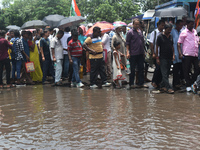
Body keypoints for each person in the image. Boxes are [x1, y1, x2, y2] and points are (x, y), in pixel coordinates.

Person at [178, 18, 199, 92]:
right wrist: (180, 53)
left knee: (197, 69)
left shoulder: (195, 31)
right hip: (187, 54)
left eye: (193, 24)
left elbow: (197, 40)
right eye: (191, 24)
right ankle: (188, 85)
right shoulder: (184, 32)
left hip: (195, 54)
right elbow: (179, 43)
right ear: (187, 24)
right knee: (186, 70)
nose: (192, 25)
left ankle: (192, 82)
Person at [126, 18, 148, 89]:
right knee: (132, 70)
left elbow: (142, 42)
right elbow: (127, 43)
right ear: (133, 24)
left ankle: (141, 83)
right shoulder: (130, 32)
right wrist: (127, 52)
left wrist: (144, 52)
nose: (137, 25)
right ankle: (131, 84)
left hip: (140, 53)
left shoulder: (140, 31)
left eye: (138, 24)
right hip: (133, 53)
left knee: (141, 68)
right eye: (136, 24)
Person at [156, 23, 175, 94]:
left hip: (169, 57)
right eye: (168, 30)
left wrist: (173, 55)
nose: (169, 31)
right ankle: (168, 88)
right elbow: (157, 47)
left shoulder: (170, 37)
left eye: (170, 30)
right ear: (165, 29)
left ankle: (162, 86)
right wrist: (157, 58)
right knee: (164, 73)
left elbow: (172, 46)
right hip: (162, 57)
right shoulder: (160, 36)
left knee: (167, 73)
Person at [149, 20, 165, 89]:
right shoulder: (154, 33)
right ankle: (154, 81)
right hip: (156, 53)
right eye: (162, 25)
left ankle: (159, 82)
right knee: (157, 68)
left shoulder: (164, 33)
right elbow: (151, 43)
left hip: (163, 53)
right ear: (158, 25)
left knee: (162, 68)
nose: (163, 27)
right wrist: (153, 53)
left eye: (164, 25)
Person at [171, 20, 184, 89]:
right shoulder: (172, 32)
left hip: (181, 53)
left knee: (180, 69)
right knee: (175, 69)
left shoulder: (182, 32)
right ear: (176, 24)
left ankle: (179, 82)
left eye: (182, 25)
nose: (181, 27)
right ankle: (175, 83)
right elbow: (172, 43)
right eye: (180, 25)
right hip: (175, 53)